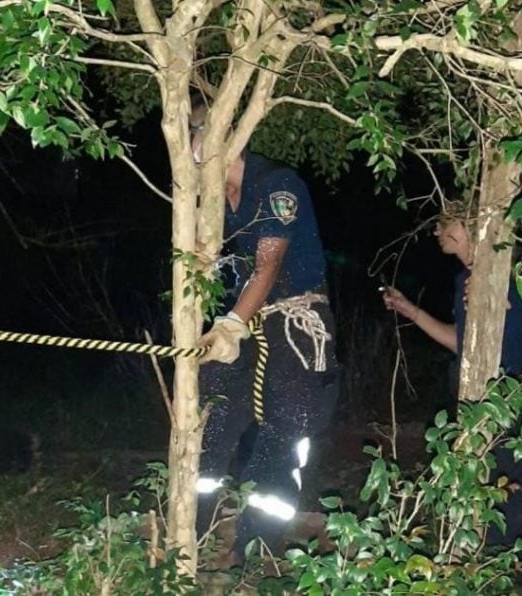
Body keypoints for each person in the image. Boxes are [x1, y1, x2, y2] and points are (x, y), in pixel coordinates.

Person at [190, 108, 339, 561]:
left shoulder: (277, 184)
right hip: (244, 323)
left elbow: (268, 264)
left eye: (194, 138)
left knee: (283, 432)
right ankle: (194, 530)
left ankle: (259, 550)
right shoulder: (216, 199)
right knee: (212, 421)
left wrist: (232, 324)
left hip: (294, 322)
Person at [381, 208, 522, 592]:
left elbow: (509, 308)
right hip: (471, 392)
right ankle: (479, 572)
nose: (437, 231)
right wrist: (409, 310)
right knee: (474, 485)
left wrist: (491, 289)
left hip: (502, 395)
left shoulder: (505, 267)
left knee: (508, 492)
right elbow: (461, 340)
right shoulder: (462, 278)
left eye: (445, 223)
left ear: (472, 227)